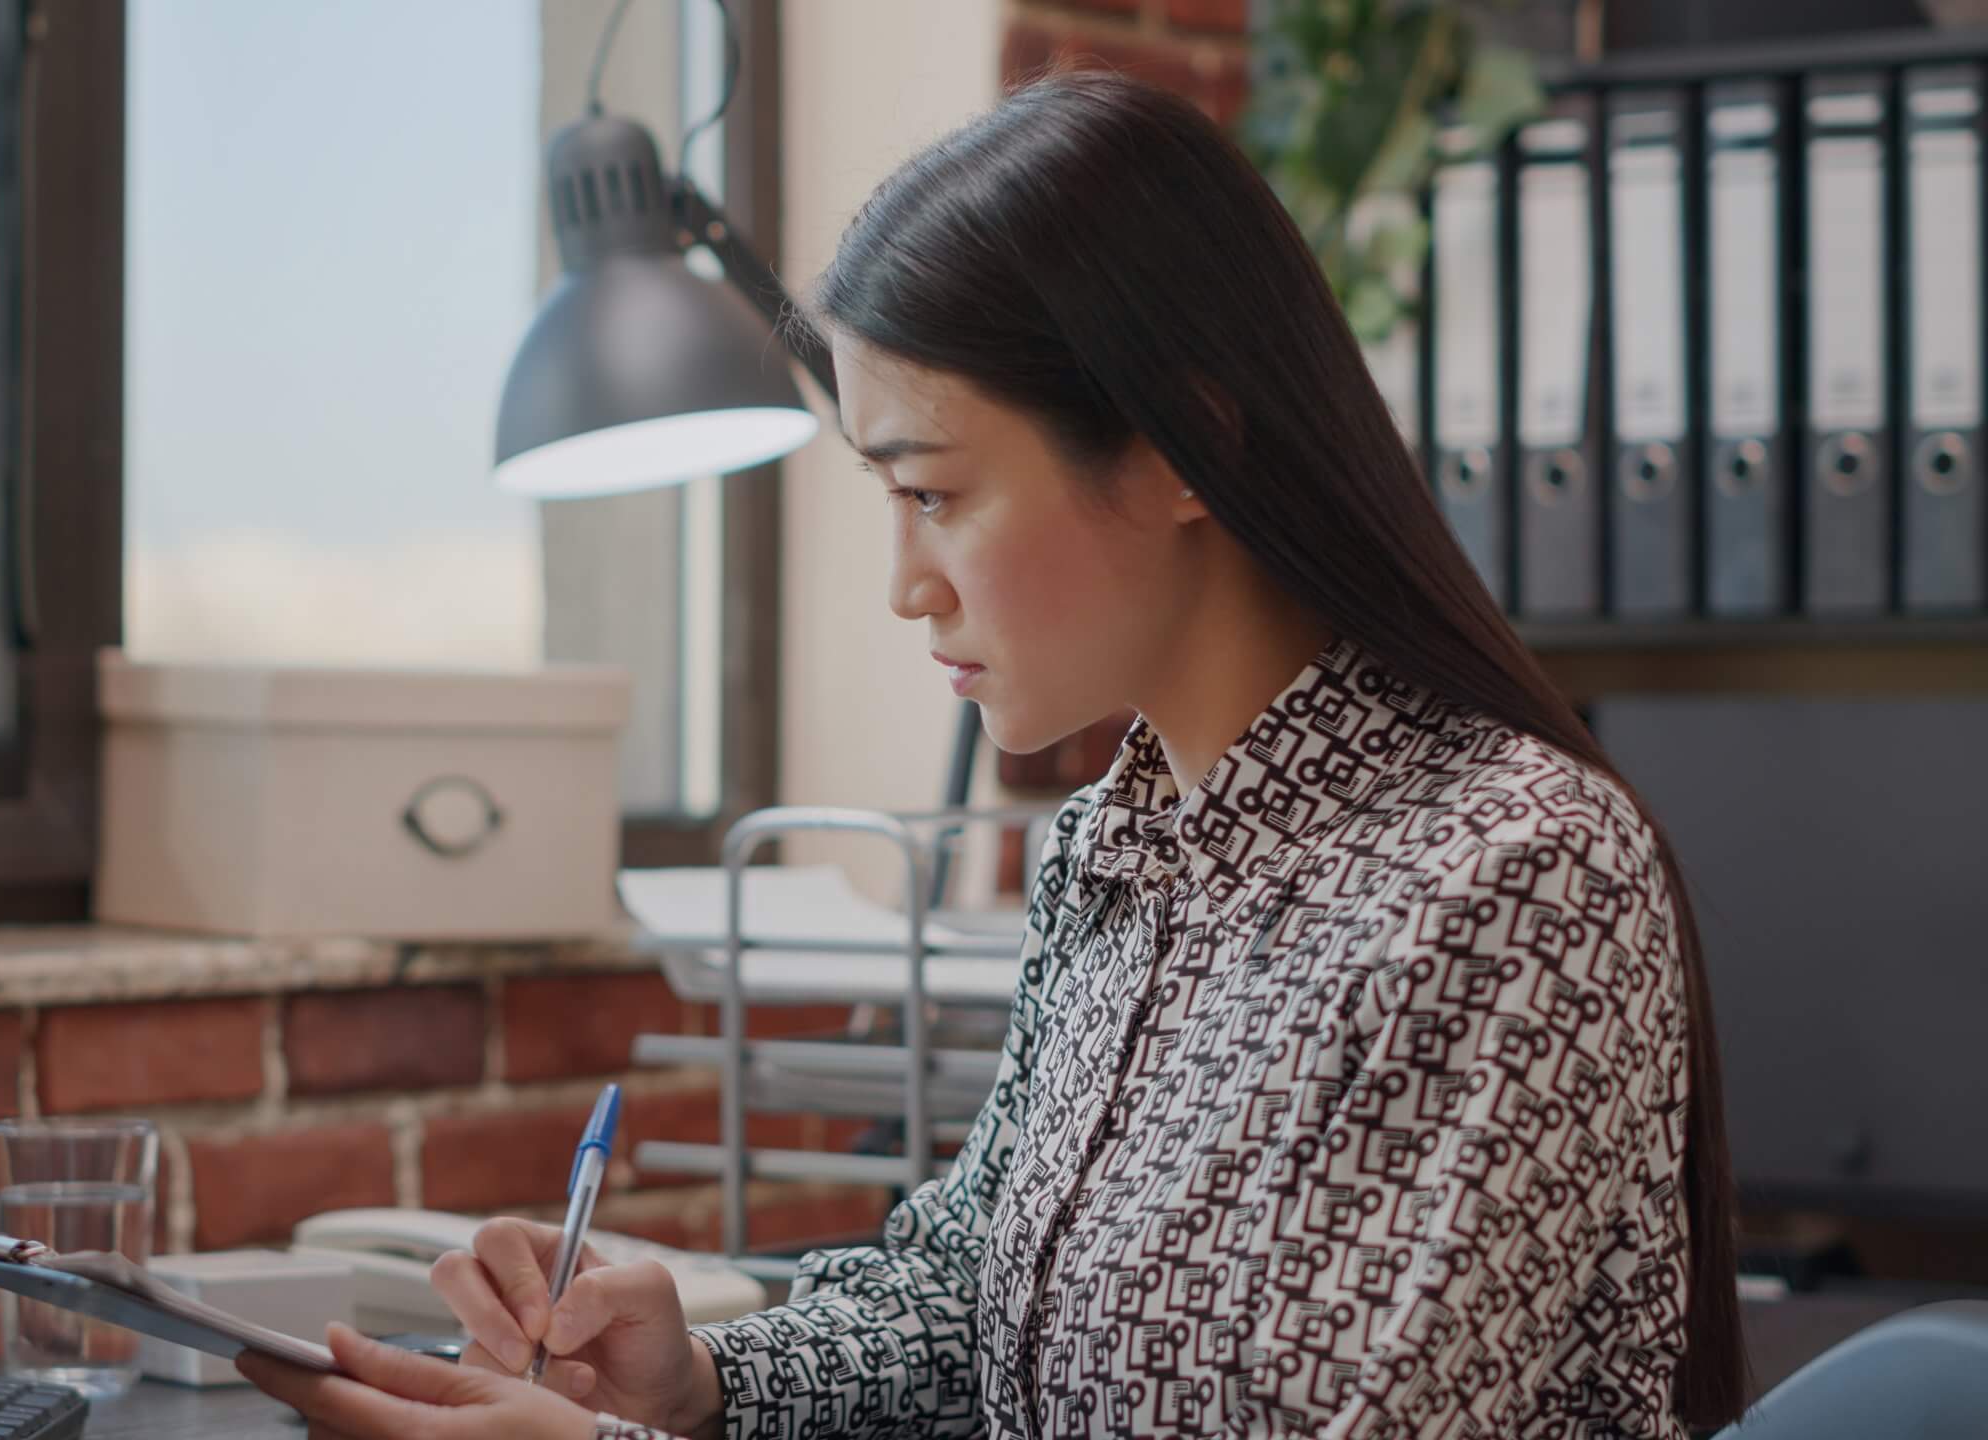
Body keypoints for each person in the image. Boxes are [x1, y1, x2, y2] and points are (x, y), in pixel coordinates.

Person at [240, 67, 1746, 1439]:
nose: (908, 584)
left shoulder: (1512, 875)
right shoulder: (1116, 850)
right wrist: (702, 1385)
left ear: (1177, 449)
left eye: (937, 494)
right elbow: (975, 1302)